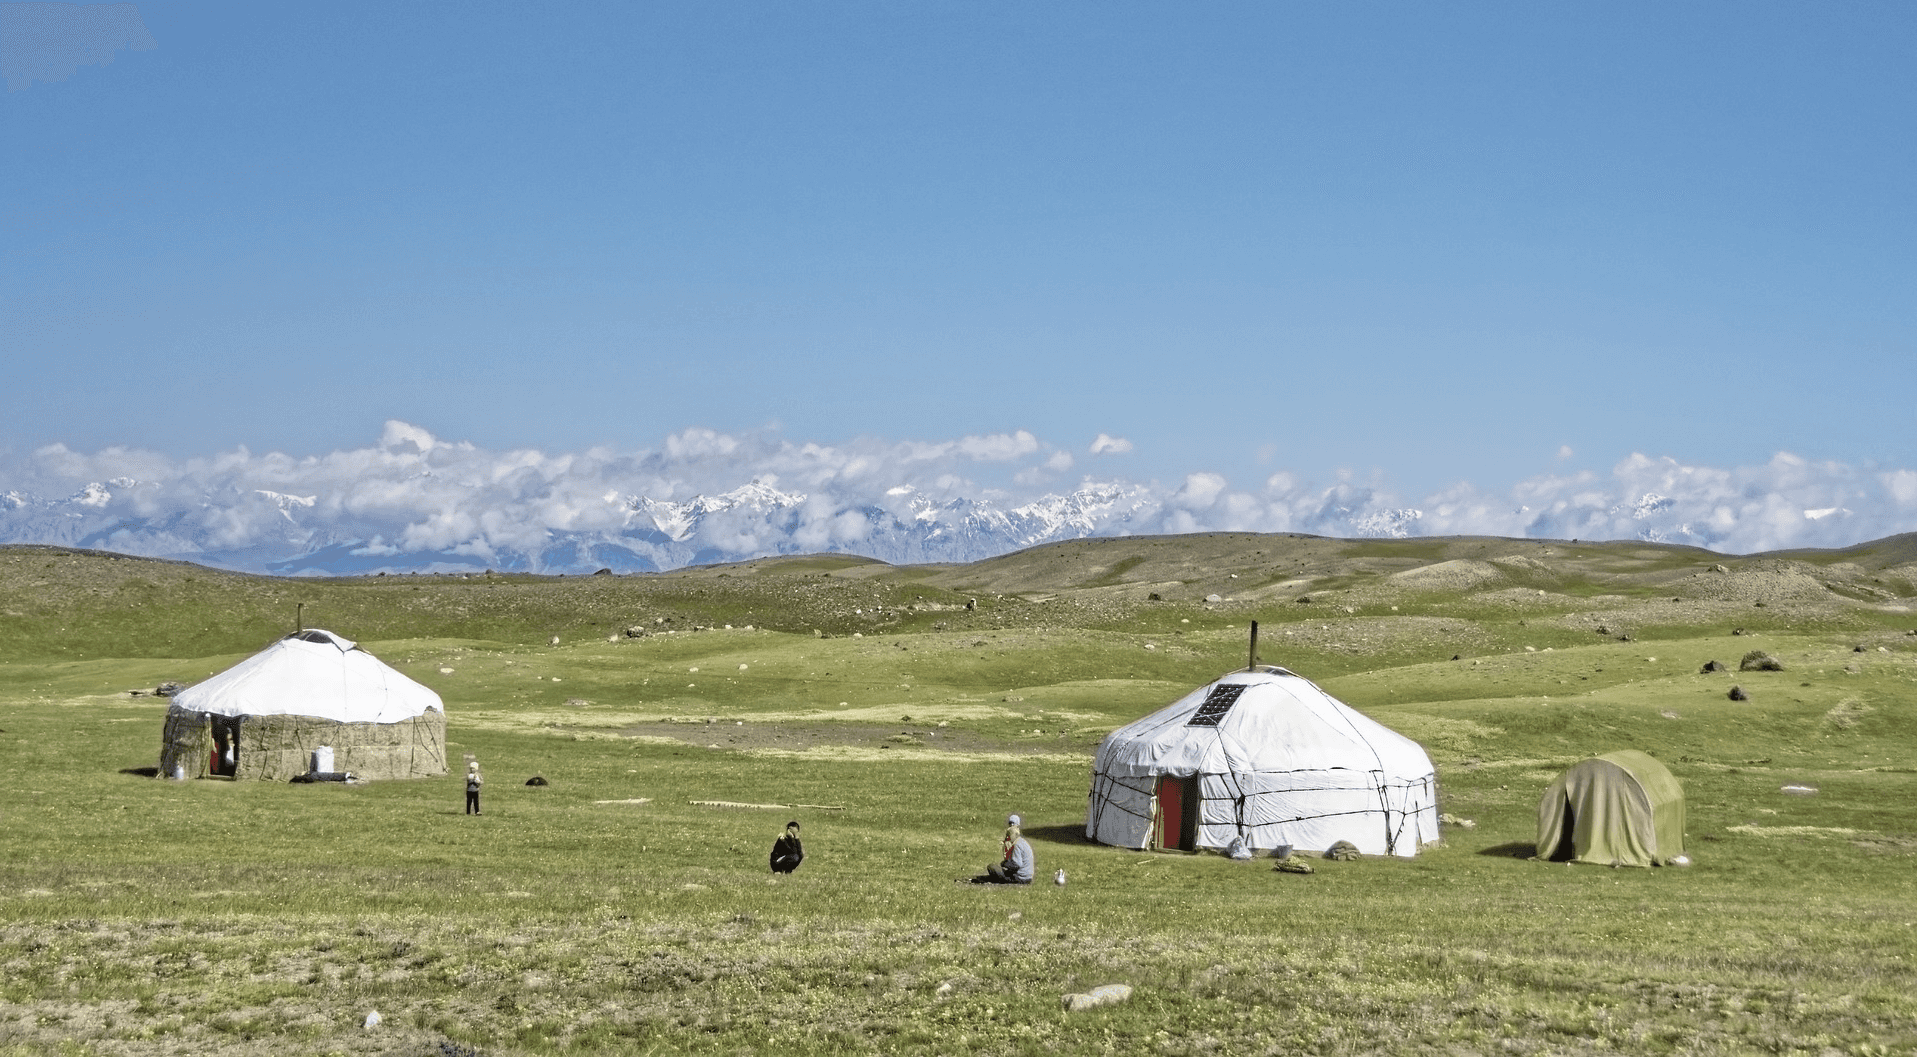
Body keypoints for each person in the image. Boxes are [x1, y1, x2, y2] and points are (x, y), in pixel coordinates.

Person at [967, 813, 1034, 884]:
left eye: (1009, 835)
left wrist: (1004, 864)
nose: (1008, 837)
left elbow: (1017, 864)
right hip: (1027, 877)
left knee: (992, 867)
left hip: (1020, 878)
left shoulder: (1017, 845)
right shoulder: (1022, 842)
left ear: (1014, 835)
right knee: (998, 870)